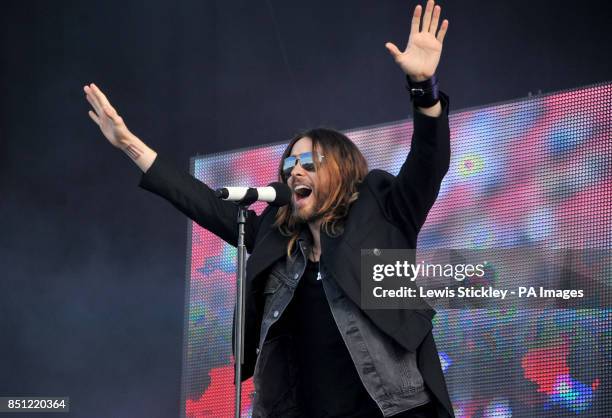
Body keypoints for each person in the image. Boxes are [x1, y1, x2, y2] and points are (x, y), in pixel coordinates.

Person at [84, 1, 453, 416]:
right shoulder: (275, 238)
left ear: (343, 172)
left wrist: (424, 88)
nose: (295, 172)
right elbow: (200, 201)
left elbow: (429, 160)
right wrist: (129, 144)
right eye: (290, 165)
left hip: (394, 410)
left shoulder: (383, 212)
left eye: (309, 162)